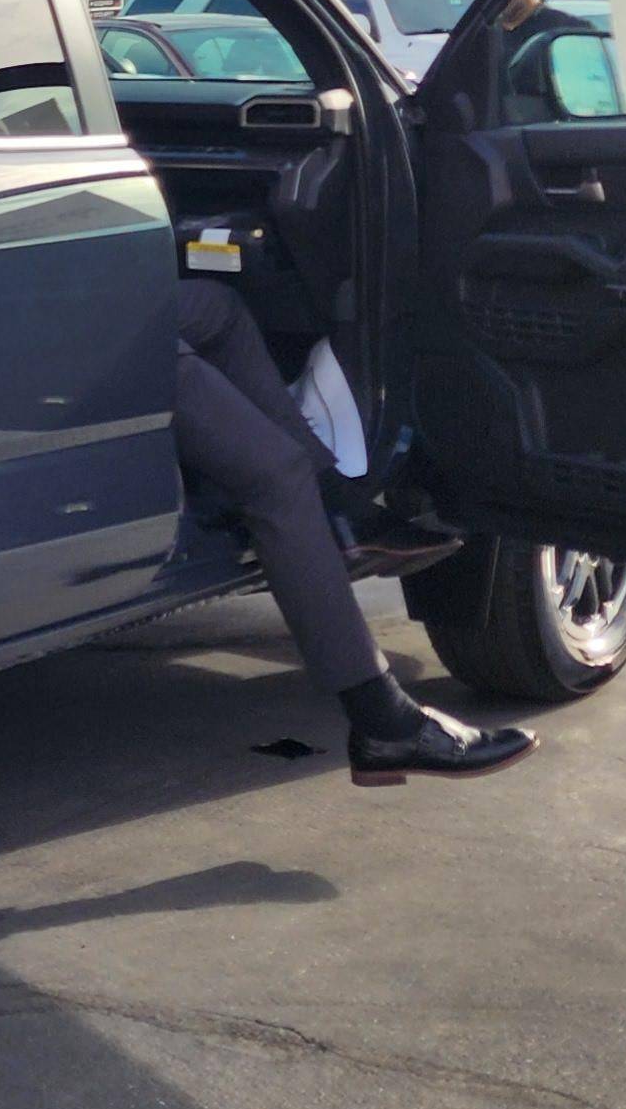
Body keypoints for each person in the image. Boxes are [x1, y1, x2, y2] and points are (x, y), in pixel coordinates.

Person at [174, 274, 535, 780]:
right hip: (71, 332)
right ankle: (381, 721)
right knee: (276, 476)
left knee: (219, 309)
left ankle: (337, 508)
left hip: (77, 298)